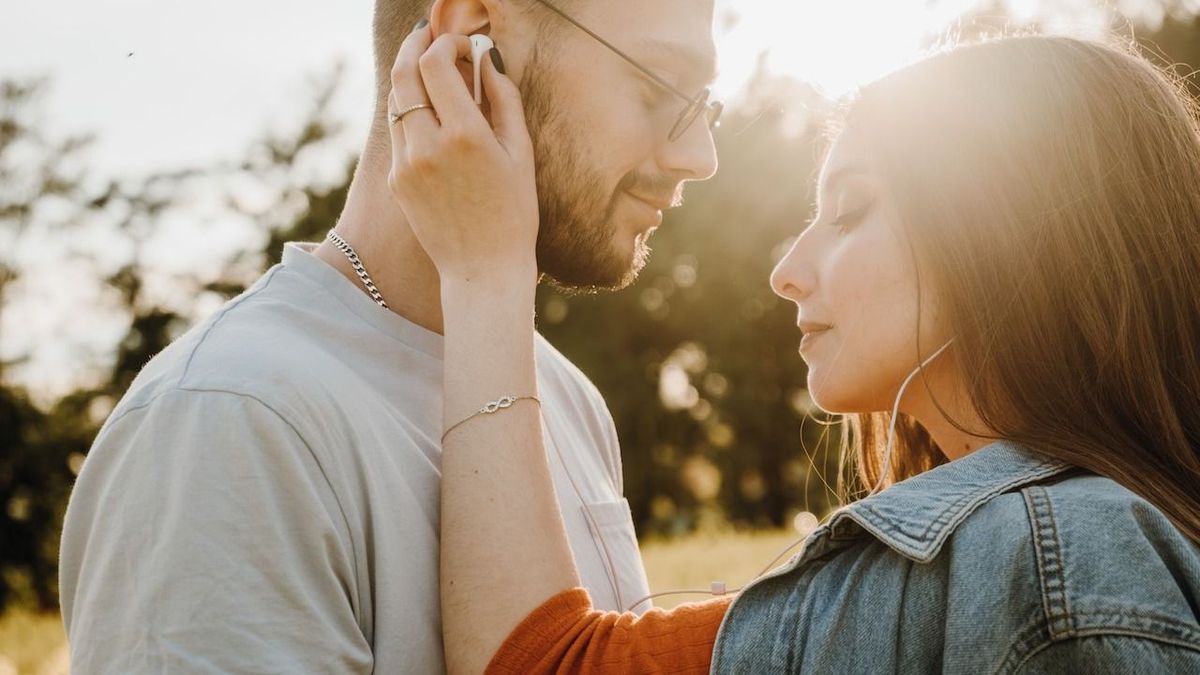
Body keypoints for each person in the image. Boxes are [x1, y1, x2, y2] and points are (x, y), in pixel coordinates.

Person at [387, 25, 1200, 675]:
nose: (786, 271)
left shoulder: (1053, 552)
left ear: (1009, 233)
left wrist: (486, 270)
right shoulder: (1027, 549)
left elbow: (541, 664)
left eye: (849, 211)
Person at [57, 0, 719, 671]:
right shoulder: (228, 421)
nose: (701, 156)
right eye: (659, 85)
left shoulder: (566, 397)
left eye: (703, 104)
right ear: (472, 38)